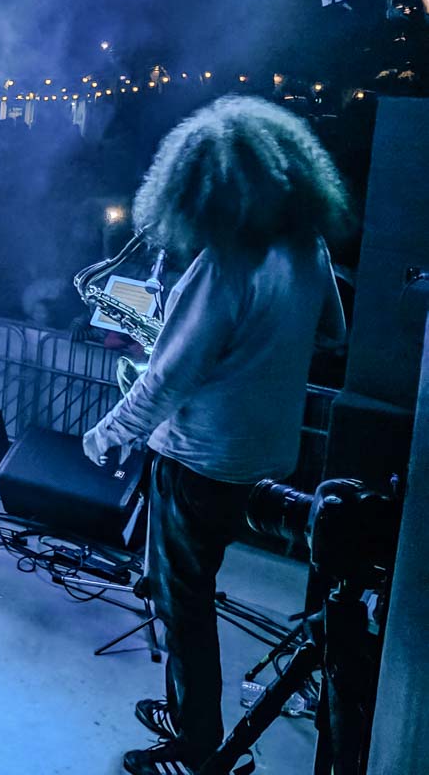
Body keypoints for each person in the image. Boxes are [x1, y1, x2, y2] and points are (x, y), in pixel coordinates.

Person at [81, 97, 352, 775]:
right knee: (196, 594)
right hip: (267, 458)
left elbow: (167, 381)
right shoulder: (308, 247)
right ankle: (188, 713)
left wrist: (108, 433)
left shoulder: (223, 265)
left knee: (183, 605)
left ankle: (198, 745)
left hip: (197, 461)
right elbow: (332, 334)